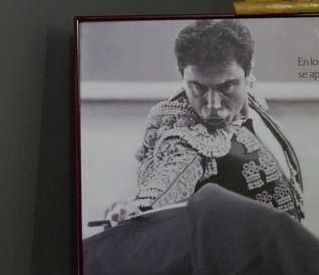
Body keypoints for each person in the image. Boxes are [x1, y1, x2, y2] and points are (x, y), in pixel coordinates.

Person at [104, 19, 304, 225]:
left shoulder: (251, 97)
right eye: (198, 88)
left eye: (226, 87)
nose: (213, 105)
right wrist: (136, 209)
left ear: (248, 73)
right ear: (182, 76)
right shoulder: (185, 136)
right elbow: (165, 184)